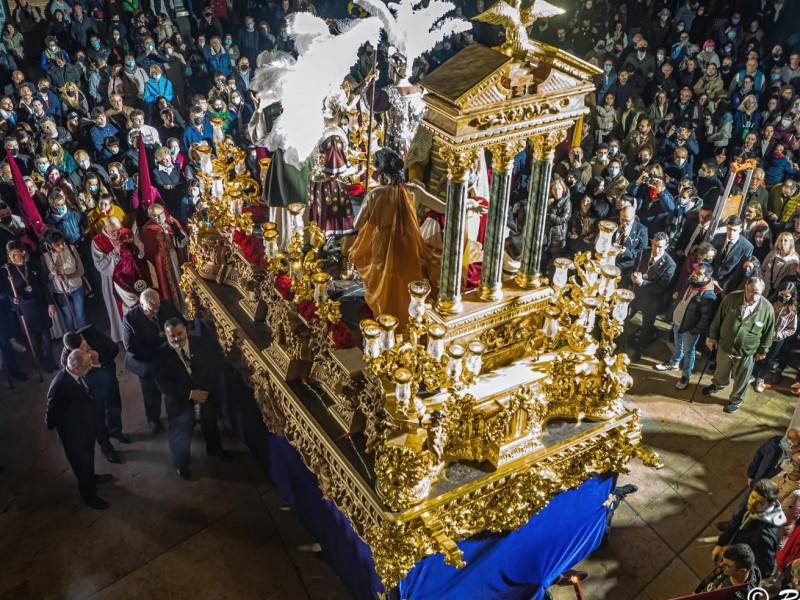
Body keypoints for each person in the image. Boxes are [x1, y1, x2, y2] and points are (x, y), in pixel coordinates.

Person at [348, 148, 440, 328]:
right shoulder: (414, 191)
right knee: (406, 279)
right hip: (408, 244)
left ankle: (387, 321)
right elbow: (443, 207)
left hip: (383, 245)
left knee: (385, 282)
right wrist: (468, 204)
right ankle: (408, 320)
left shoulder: (374, 195)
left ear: (381, 175)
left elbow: (356, 225)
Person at [154, 318, 232, 480]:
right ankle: (181, 464)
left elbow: (214, 366)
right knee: (182, 430)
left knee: (210, 421)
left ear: (186, 331)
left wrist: (204, 391)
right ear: (166, 336)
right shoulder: (160, 356)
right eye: (172, 336)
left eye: (179, 333)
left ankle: (214, 449)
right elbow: (163, 385)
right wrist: (190, 394)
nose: (177, 338)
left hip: (205, 392)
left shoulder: (202, 344)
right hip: (179, 398)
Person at [45, 349, 113, 510]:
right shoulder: (59, 386)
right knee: (81, 466)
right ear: (75, 367)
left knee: (88, 461)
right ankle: (89, 495)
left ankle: (92, 477)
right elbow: (50, 420)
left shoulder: (76, 375)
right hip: (74, 436)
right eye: (88, 366)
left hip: (86, 429)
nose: (91, 368)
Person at [704, 276, 775, 413]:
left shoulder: (768, 309)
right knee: (721, 369)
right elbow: (718, 318)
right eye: (751, 292)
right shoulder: (732, 298)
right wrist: (713, 337)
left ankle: (736, 400)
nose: (754, 296)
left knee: (742, 378)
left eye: (758, 293)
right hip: (726, 345)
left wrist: (763, 350)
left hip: (747, 351)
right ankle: (718, 384)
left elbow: (768, 333)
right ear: (745, 288)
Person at [122, 289, 182, 434]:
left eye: (157, 306)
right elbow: (130, 346)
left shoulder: (166, 307)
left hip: (167, 357)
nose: (156, 311)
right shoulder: (131, 319)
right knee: (151, 393)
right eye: (151, 308)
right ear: (142, 306)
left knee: (172, 389)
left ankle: (175, 417)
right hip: (146, 360)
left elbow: (180, 322)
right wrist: (157, 349)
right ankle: (153, 419)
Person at [655, 262, 717, 389]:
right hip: (678, 321)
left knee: (689, 351)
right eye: (695, 271)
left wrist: (694, 331)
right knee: (678, 344)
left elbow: (705, 319)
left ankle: (685, 375)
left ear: (707, 277)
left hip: (690, 329)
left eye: (699, 273)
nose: (694, 274)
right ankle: (674, 362)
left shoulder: (708, 295)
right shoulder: (690, 281)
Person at [1, 240, 58, 372]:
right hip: (24, 307)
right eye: (10, 255)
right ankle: (41, 362)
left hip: (38, 303)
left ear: (23, 252)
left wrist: (50, 303)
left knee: (45, 332)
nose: (12, 258)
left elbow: (43, 285)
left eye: (15, 254)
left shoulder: (33, 264)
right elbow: (8, 293)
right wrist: (13, 300)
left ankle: (50, 359)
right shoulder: (8, 271)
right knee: (32, 335)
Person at [713, 479, 785, 580]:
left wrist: (738, 570)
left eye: (759, 502)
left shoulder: (764, 535)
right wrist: (722, 543)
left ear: (771, 505)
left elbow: (764, 571)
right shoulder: (755, 509)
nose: (752, 503)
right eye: (752, 497)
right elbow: (736, 524)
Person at [629, 232, 676, 362]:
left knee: (646, 327)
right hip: (636, 295)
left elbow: (661, 288)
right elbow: (635, 266)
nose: (656, 249)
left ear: (666, 246)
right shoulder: (644, 252)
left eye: (660, 247)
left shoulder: (670, 265)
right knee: (625, 316)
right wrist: (633, 275)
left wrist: (642, 282)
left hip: (652, 300)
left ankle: (640, 349)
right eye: (655, 245)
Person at [138, 204, 187, 312]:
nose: (160, 217)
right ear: (150, 217)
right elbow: (149, 255)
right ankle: (179, 312)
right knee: (171, 289)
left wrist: (178, 233)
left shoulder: (171, 221)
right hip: (165, 267)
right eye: (155, 216)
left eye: (161, 214)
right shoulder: (147, 231)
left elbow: (183, 241)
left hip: (177, 259)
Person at [42, 228, 86, 332]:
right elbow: (46, 280)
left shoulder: (70, 248)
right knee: (68, 317)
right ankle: (72, 342)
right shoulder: (45, 257)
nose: (62, 246)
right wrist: (52, 272)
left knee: (80, 315)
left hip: (77, 288)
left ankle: (87, 338)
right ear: (49, 245)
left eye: (62, 242)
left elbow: (81, 271)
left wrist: (66, 276)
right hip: (60, 292)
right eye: (58, 244)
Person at [91, 215, 127, 342]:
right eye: (113, 231)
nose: (116, 234)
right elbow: (100, 265)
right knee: (117, 310)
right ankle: (123, 337)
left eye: (118, 230)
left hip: (128, 277)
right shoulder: (97, 241)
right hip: (111, 280)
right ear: (105, 228)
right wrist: (114, 252)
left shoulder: (125, 234)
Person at [695, 543, 761, 598]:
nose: (721, 565)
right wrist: (697, 591)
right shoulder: (731, 566)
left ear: (742, 571)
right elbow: (712, 575)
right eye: (723, 561)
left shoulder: (742, 596)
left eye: (727, 566)